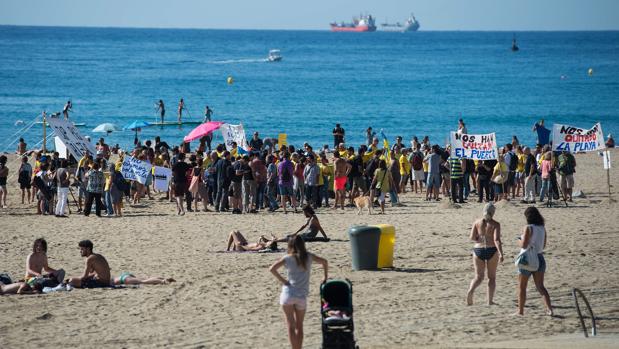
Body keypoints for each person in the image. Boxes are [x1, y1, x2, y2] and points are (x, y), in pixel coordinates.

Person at [269, 235, 328, 349]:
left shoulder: (287, 258)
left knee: (290, 326)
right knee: (299, 326)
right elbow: (324, 262)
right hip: (301, 296)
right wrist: (325, 277)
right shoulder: (308, 256)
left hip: (288, 294)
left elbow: (272, 269)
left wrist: (284, 281)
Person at [516, 207, 553, 316]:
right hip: (540, 257)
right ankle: (549, 309)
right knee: (540, 286)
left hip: (528, 258)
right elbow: (543, 245)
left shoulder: (528, 228)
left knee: (522, 286)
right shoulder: (542, 228)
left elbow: (524, 245)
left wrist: (518, 240)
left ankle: (520, 311)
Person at [466, 203, 504, 305]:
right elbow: (496, 240)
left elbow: (472, 237)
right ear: (493, 212)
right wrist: (501, 253)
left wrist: (479, 238)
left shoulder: (477, 222)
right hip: (491, 250)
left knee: (478, 276)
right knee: (491, 277)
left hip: (478, 250)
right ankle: (489, 301)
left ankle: (471, 290)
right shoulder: (495, 224)